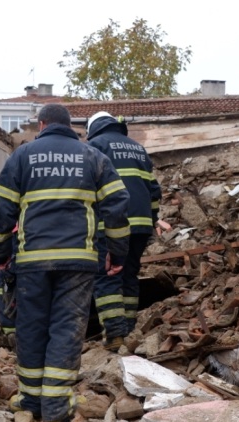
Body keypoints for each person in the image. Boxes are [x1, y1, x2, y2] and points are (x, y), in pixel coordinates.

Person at [0, 104, 130, 422]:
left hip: (32, 259)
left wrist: (1, 255)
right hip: (78, 260)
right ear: (71, 126)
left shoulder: (22, 156)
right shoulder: (93, 156)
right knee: (67, 326)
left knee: (31, 325)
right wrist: (117, 253)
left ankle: (30, 399)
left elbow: (3, 212)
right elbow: (117, 207)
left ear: (41, 125)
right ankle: (55, 405)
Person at [85, 112, 162, 351]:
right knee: (129, 275)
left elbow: (87, 187)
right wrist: (152, 220)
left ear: (92, 129)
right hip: (141, 224)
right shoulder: (138, 148)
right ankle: (129, 328)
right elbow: (154, 190)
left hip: (110, 224)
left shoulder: (95, 146)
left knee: (106, 275)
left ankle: (114, 333)